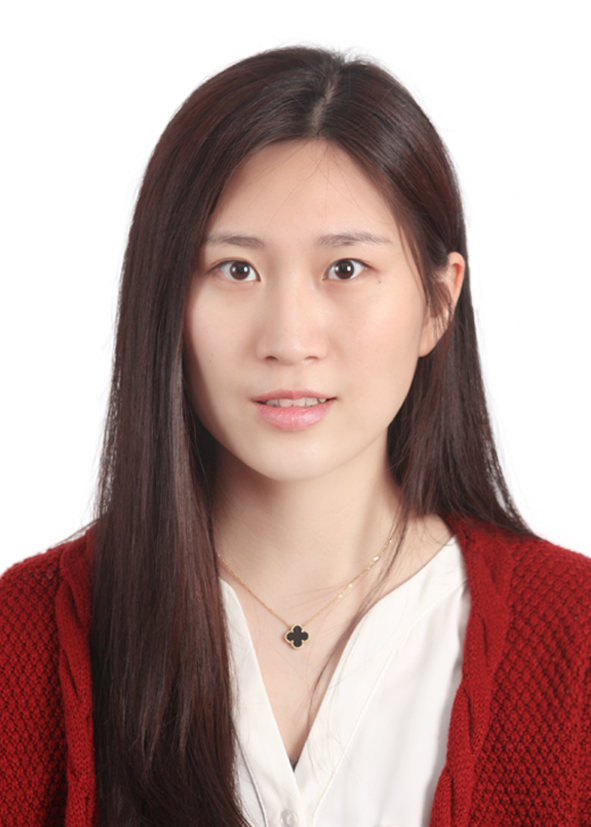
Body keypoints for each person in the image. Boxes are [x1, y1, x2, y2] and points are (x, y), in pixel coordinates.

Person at [1, 46, 590, 827]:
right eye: (235, 270)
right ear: (164, 301)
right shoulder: (22, 638)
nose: (288, 339)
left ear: (436, 304)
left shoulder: (573, 635)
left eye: (344, 268)